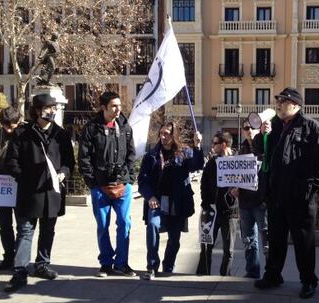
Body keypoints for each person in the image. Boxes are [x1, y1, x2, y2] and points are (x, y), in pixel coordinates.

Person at [253, 87, 319, 299]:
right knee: (276, 239)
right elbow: (259, 151)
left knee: (303, 241)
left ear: (295, 105)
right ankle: (273, 275)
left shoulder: (311, 127)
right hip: (276, 195)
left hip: (300, 198)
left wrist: (310, 190)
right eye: (277, 100)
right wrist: (262, 135)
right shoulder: (274, 126)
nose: (278, 104)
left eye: (283, 101)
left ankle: (308, 280)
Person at [4, 94, 75, 292]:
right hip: (29, 193)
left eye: (54, 107)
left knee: (48, 230)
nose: (52, 111)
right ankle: (19, 271)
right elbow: (11, 161)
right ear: (36, 110)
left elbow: (69, 161)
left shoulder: (60, 135)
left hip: (52, 194)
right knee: (25, 232)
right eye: (48, 108)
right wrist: (24, 178)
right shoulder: (22, 133)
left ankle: (42, 264)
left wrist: (63, 174)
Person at [78, 91, 136, 278]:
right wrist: (92, 182)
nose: (119, 109)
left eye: (119, 106)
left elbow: (131, 155)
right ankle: (105, 263)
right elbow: (84, 158)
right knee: (103, 226)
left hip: (123, 185)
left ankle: (122, 263)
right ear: (103, 107)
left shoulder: (126, 127)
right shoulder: (91, 128)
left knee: (125, 223)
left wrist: (129, 179)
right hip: (100, 187)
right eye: (114, 106)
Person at [138, 122, 203, 280]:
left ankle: (168, 267)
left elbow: (197, 165)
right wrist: (150, 197)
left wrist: (198, 146)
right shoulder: (151, 156)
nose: (163, 135)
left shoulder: (184, 152)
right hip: (158, 200)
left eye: (167, 133)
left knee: (174, 239)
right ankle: (152, 266)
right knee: (153, 225)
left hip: (177, 202)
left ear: (174, 135)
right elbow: (142, 181)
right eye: (161, 132)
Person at [196, 132, 239, 276]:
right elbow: (204, 184)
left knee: (229, 250)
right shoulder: (212, 162)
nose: (212, 146)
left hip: (230, 212)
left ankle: (224, 277)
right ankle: (203, 275)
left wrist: (237, 192)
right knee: (206, 245)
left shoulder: (238, 161)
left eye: (215, 143)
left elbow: (246, 183)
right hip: (211, 211)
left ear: (223, 145)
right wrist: (206, 204)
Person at [238, 119, 269, 278]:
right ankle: (252, 271)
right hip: (244, 202)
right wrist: (233, 187)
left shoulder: (265, 146)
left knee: (267, 241)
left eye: (251, 127)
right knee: (249, 240)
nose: (248, 130)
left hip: (261, 201)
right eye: (246, 128)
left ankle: (271, 272)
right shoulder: (241, 149)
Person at [0, 107, 22, 271]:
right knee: (4, 225)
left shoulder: (26, 134)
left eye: (13, 126)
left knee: (22, 226)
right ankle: (8, 256)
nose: (10, 130)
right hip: (1, 186)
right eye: (6, 127)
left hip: (20, 186)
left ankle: (20, 258)